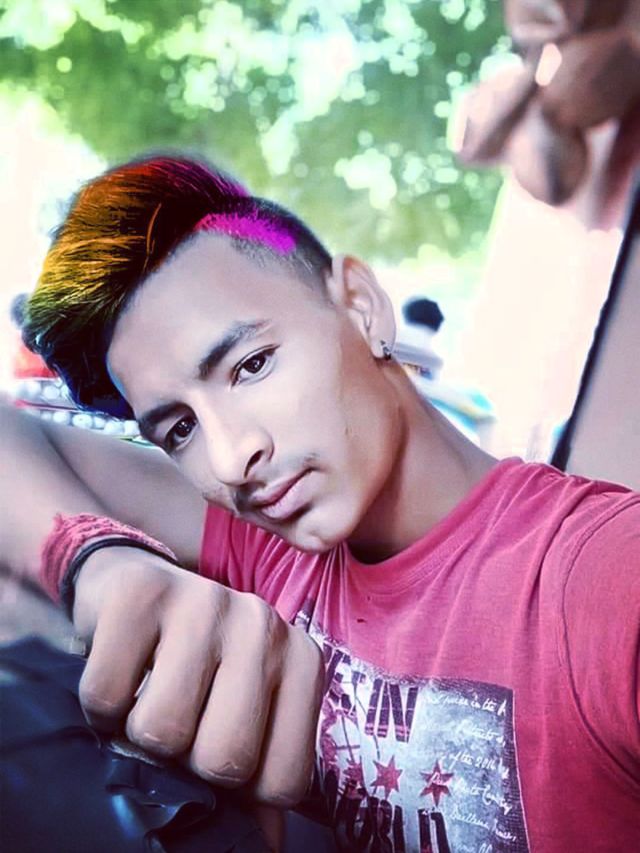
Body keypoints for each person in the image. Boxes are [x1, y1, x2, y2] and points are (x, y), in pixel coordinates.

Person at [1, 155, 638, 852]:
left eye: (251, 365)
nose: (229, 458)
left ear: (360, 305)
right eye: (180, 428)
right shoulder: (267, 546)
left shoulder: (602, 576)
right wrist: (98, 557)